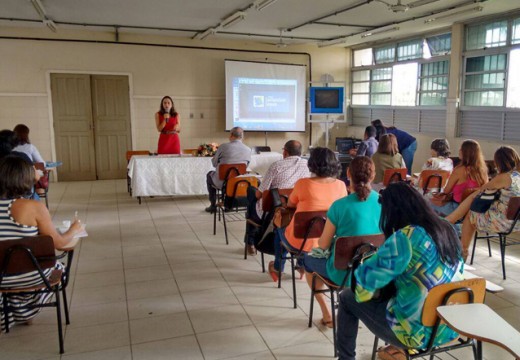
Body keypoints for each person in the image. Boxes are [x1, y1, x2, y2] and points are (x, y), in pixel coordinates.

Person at [336, 182, 464, 360]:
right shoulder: (446, 228)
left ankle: (346, 358)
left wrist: (371, 262)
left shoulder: (405, 237)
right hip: (450, 324)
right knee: (404, 290)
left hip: (417, 333)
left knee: (346, 297)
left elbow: (366, 283)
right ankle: (394, 349)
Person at [0, 155, 82, 331]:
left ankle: (10, 310)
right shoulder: (33, 207)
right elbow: (59, 243)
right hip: (32, 275)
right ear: (25, 178)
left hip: (0, 277)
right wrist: (74, 230)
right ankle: (26, 310)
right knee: (58, 268)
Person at [302, 156, 381, 327]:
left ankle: (327, 313)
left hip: (343, 273)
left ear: (348, 174)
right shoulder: (383, 202)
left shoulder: (339, 206)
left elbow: (322, 245)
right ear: (373, 177)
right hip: (375, 272)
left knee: (307, 261)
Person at [269, 147, 347, 282]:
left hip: (300, 241)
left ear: (312, 163)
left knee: (279, 227)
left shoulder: (303, 184)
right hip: (326, 241)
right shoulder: (341, 185)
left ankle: (278, 267)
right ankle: (301, 265)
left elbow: (290, 206)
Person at [446, 146, 520, 261]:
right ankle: (453, 220)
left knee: (471, 214)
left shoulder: (504, 177)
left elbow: (481, 191)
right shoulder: (517, 176)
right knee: (474, 205)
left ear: (498, 162)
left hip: (504, 222)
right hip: (517, 222)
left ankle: (462, 252)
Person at [245, 140, 310, 255]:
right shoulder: (306, 165)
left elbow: (259, 194)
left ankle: (250, 242)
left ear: (285, 152)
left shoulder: (276, 166)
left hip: (271, 210)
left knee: (251, 192)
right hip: (294, 210)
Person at [430, 139, 488, 216]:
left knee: (425, 203)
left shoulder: (460, 170)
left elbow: (446, 191)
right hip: (473, 210)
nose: (459, 151)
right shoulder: (483, 170)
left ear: (465, 152)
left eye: (461, 149)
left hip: (456, 208)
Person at [205, 127, 251, 213]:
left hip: (222, 182)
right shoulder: (248, 149)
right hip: (238, 182)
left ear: (231, 135)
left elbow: (214, 164)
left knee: (209, 175)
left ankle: (213, 205)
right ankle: (228, 205)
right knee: (230, 179)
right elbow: (246, 166)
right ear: (242, 136)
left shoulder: (223, 147)